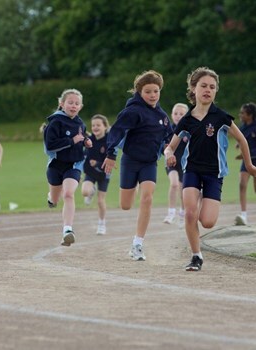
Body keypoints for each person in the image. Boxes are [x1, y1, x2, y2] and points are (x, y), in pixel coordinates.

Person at [164, 67, 256, 272]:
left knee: (207, 221)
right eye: (203, 86)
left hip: (215, 174)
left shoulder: (221, 116)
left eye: (212, 87)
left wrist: (249, 165)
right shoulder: (187, 120)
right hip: (192, 171)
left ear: (216, 91)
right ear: (193, 89)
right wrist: (169, 154)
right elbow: (170, 146)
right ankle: (196, 256)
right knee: (189, 213)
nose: (208, 90)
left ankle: (206, 197)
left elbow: (241, 139)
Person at [102, 70, 173, 261]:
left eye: (156, 91)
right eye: (148, 91)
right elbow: (116, 131)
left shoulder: (162, 116)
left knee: (147, 197)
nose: (152, 95)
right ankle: (131, 190)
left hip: (149, 163)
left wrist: (169, 149)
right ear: (139, 92)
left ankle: (137, 244)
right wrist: (110, 154)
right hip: (130, 161)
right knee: (126, 205)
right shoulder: (133, 112)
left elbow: (170, 136)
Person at [43, 88, 92, 246]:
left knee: (69, 194)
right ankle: (51, 197)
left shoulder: (80, 123)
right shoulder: (55, 122)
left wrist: (86, 141)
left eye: (77, 103)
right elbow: (50, 146)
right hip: (56, 165)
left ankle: (67, 230)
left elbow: (81, 136)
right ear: (61, 103)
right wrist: (72, 141)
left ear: (81, 106)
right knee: (56, 199)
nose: (73, 105)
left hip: (74, 165)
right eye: (70, 102)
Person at [81, 114, 111, 235]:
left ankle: (101, 224)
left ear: (105, 126)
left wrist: (98, 163)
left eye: (98, 125)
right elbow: (82, 153)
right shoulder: (89, 140)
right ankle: (91, 191)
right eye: (93, 125)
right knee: (85, 192)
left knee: (100, 201)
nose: (95, 127)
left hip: (104, 174)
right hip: (90, 172)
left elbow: (110, 158)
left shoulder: (109, 141)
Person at [163, 103, 189, 228]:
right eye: (175, 113)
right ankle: (171, 212)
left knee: (183, 190)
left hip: (184, 164)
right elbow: (163, 145)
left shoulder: (188, 130)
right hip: (171, 162)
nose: (178, 116)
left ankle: (183, 214)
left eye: (181, 114)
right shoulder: (168, 130)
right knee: (173, 184)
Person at [234, 102, 256, 226]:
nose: (240, 115)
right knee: (242, 185)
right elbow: (241, 141)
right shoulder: (242, 127)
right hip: (247, 161)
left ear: (250, 115)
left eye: (242, 113)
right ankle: (243, 215)